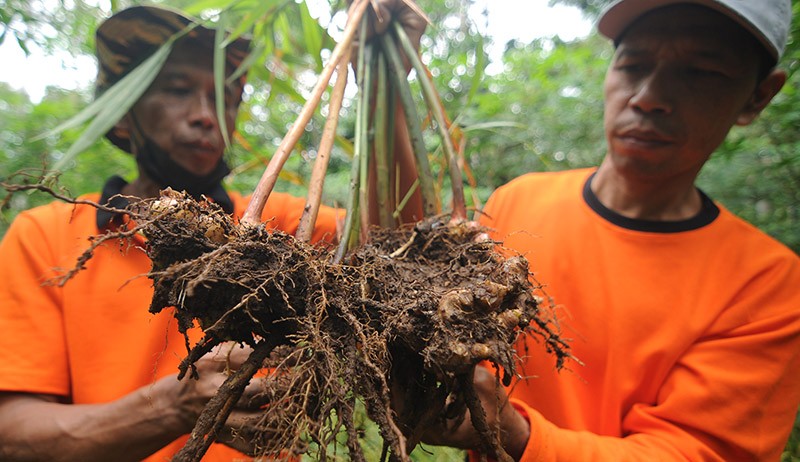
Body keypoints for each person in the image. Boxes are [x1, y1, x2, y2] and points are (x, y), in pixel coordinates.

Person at [404, 0, 800, 461]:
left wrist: (513, 432)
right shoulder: (520, 199)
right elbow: (407, 247)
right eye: (634, 65)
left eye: (701, 72)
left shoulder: (767, 284)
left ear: (758, 96)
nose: (649, 96)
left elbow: (698, 452)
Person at [0, 5, 345, 461]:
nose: (206, 115)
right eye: (179, 90)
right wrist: (173, 407)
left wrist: (387, 63)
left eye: (225, 98)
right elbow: (12, 435)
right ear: (123, 114)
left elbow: (399, 233)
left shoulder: (281, 231)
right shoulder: (47, 237)